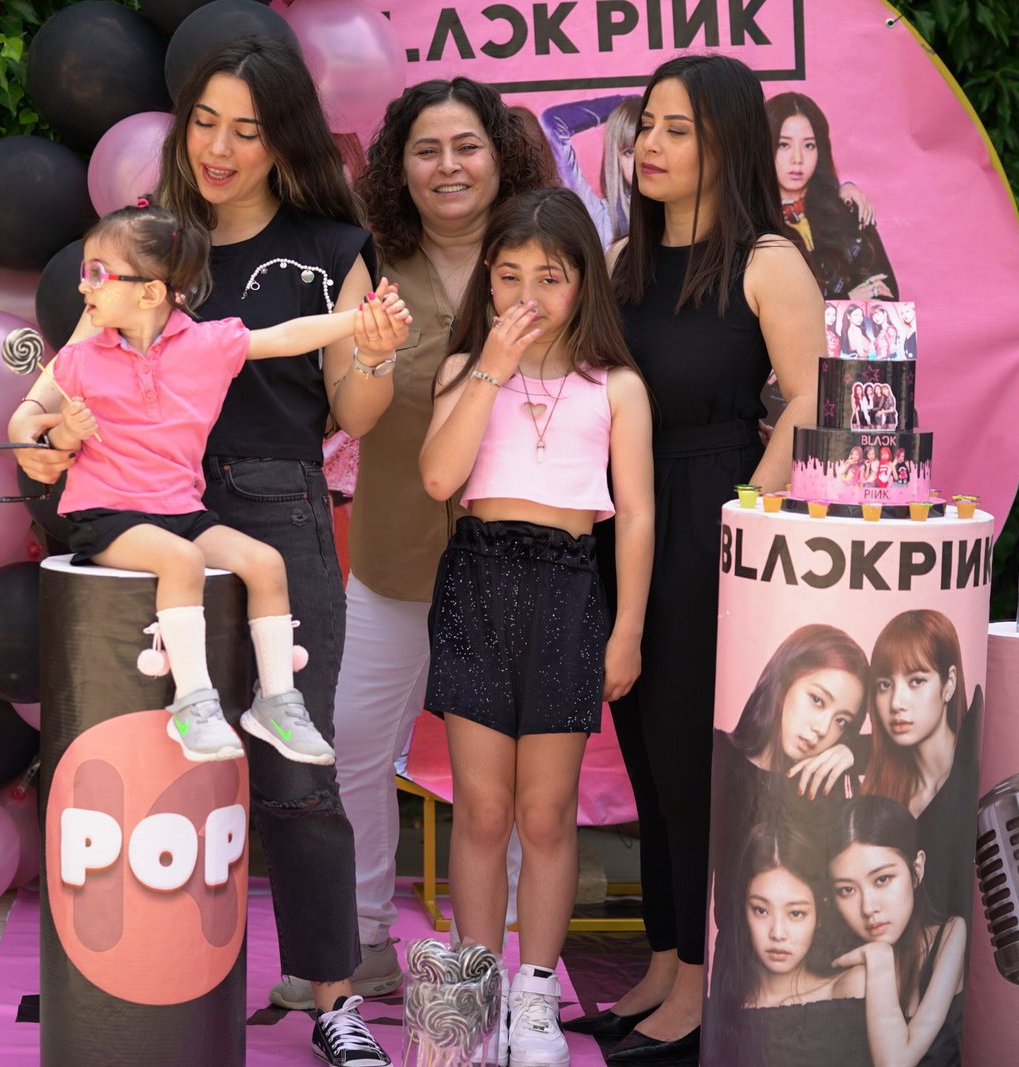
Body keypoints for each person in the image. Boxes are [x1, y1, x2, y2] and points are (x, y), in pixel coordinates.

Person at [10, 37, 397, 1067]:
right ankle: (142, 989)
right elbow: (62, 374)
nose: (221, 148)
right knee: (148, 751)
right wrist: (45, 445)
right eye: (207, 124)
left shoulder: (328, 247)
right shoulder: (140, 240)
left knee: (296, 764)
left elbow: (357, 409)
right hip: (136, 512)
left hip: (273, 508)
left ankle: (333, 999)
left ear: (284, 142)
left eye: (249, 130)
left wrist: (375, 354)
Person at [262, 78, 555, 1016]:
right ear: (398, 167)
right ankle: (359, 939)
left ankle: (508, 958)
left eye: (467, 146)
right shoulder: (369, 264)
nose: (448, 167)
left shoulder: (546, 259)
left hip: (519, 557)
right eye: (427, 150)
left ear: (501, 155)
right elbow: (338, 396)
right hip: (394, 554)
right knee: (350, 747)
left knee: (510, 777)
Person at [592, 54, 824, 1063]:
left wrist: (745, 514)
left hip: (709, 520)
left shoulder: (768, 260)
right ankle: (661, 960)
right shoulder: (620, 260)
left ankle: (699, 981)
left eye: (676, 128)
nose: (650, 144)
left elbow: (811, 400)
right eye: (646, 124)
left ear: (725, 143)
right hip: (621, 519)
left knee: (691, 763)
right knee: (644, 755)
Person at [11, 202, 411, 766]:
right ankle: (194, 704)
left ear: (151, 293)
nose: (83, 286)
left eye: (97, 273)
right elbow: (41, 426)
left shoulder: (205, 344)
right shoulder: (80, 358)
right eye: (85, 271)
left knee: (265, 563)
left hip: (181, 511)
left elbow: (288, 336)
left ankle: (277, 703)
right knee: (183, 562)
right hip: (107, 515)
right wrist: (62, 433)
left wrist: (359, 321)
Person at [419, 187, 654, 1067]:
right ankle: (476, 993)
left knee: (547, 812)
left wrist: (626, 630)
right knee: (482, 808)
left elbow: (637, 516)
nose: (528, 294)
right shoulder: (463, 370)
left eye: (549, 277)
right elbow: (439, 478)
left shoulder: (616, 386)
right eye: (509, 274)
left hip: (568, 590)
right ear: (487, 279)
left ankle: (537, 994)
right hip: (478, 581)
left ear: (583, 281)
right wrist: (490, 364)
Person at [706, 820, 869, 1066]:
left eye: (796, 913)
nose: (778, 933)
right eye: (761, 910)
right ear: (743, 909)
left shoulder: (850, 987)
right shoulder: (723, 1002)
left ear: (819, 914)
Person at [859, 611, 983, 920]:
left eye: (916, 681)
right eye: (884, 685)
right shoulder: (884, 787)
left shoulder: (970, 774)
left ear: (948, 683)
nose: (896, 703)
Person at [828, 797, 966, 1067]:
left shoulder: (951, 933)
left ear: (917, 869)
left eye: (882, 879)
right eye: (847, 890)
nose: (868, 908)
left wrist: (878, 957)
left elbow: (896, 1063)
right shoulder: (843, 962)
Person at [767, 92, 899, 302]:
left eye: (808, 145)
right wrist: (846, 301)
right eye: (784, 145)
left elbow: (886, 297)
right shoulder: (749, 222)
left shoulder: (848, 210)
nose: (797, 159)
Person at [539, 94, 642, 245]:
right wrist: (623, 103)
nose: (641, 161)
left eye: (648, 148)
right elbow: (553, 121)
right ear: (616, 158)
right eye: (629, 152)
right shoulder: (600, 218)